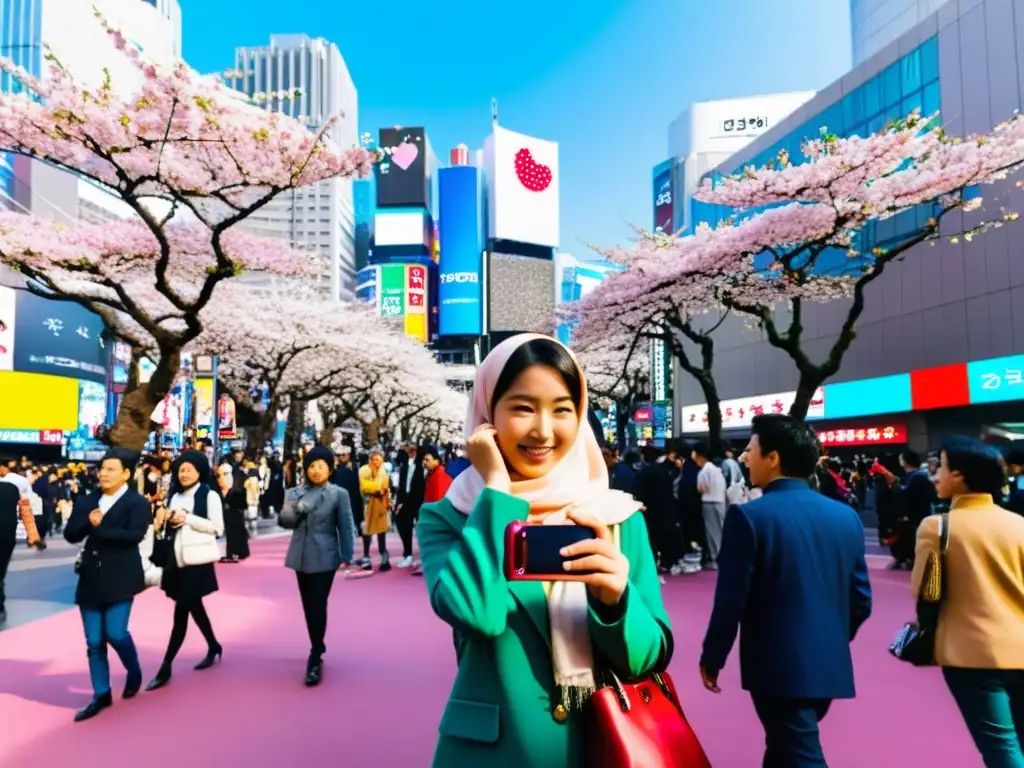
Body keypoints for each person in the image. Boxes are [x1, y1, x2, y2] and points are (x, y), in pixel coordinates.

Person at [417, 334, 672, 767]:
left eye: (562, 409)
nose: (543, 430)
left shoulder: (616, 516)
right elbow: (477, 613)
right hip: (493, 753)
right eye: (522, 407)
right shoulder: (450, 516)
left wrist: (615, 602)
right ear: (486, 412)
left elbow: (650, 653)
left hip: (600, 747)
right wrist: (497, 490)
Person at [700, 414, 872, 767]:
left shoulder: (749, 517)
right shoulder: (845, 517)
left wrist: (713, 656)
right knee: (784, 746)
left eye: (751, 450)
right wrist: (832, 637)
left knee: (799, 751)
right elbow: (861, 600)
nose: (746, 458)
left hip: (778, 663)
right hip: (827, 660)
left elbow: (731, 600)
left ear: (773, 457)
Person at [913, 437, 1024, 766]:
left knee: (1000, 745)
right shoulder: (1018, 524)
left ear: (959, 476)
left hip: (972, 654)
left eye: (941, 468)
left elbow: (928, 591)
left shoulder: (938, 528)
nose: (935, 476)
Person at [63, 448, 150, 722]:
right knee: (94, 642)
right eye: (102, 468)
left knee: (115, 632)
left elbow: (134, 536)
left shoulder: (136, 503)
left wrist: (100, 528)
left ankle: (133, 670)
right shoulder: (89, 500)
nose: (104, 473)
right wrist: (88, 522)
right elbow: (70, 534)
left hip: (122, 575)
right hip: (91, 575)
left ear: (126, 473)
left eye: (111, 469)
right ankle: (101, 693)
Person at [146, 450, 224, 691]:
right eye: (181, 469)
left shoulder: (209, 495)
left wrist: (187, 518)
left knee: (182, 612)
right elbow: (171, 525)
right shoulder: (175, 495)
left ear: (200, 471)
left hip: (196, 561)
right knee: (194, 606)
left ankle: (166, 666)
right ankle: (213, 645)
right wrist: (167, 518)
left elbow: (217, 528)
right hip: (175, 561)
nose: (184, 473)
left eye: (189, 469)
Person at [279, 445, 354, 686]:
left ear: (330, 469)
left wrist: (347, 554)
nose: (316, 470)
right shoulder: (295, 492)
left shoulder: (338, 493)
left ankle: (315, 653)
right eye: (312, 465)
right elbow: (285, 522)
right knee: (307, 604)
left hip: (325, 556)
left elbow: (345, 525)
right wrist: (296, 507)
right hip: (300, 555)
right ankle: (317, 643)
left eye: (321, 465)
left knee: (317, 603)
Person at [358, 450, 391, 572]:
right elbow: (366, 487)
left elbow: (384, 488)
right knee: (367, 531)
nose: (377, 462)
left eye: (380, 460)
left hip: (381, 505)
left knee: (381, 532)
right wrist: (375, 488)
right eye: (375, 460)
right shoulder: (364, 471)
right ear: (370, 461)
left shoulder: (383, 472)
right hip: (367, 504)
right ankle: (366, 557)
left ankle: (384, 557)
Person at [217, 461, 250, 562]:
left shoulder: (237, 491)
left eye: (221, 475)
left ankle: (236, 552)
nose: (219, 479)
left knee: (235, 532)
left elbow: (243, 504)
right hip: (229, 516)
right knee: (230, 533)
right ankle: (232, 552)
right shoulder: (221, 491)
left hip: (235, 516)